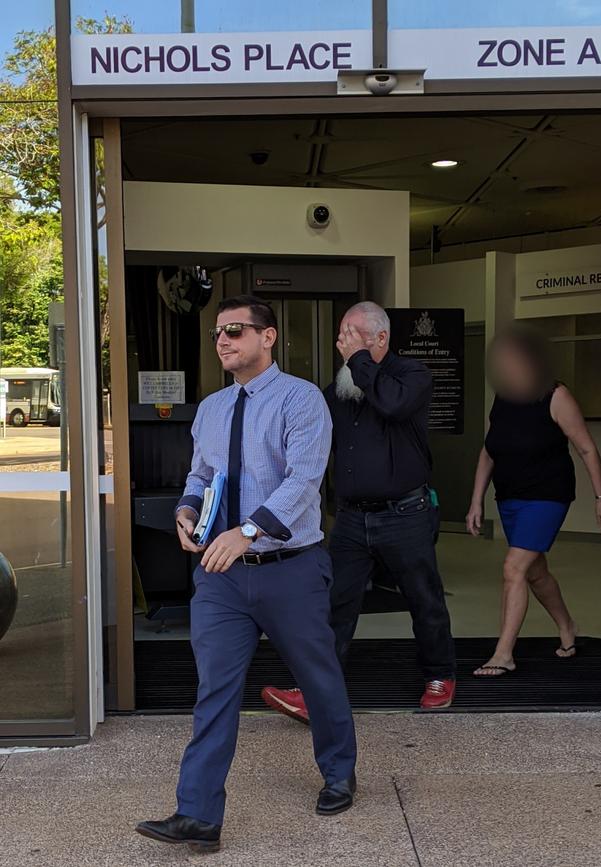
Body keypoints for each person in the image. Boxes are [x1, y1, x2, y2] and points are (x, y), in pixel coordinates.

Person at [136, 295, 357, 855]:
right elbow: (201, 473)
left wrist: (248, 532)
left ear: (268, 337)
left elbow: (305, 481)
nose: (224, 341)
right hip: (221, 576)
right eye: (217, 333)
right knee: (215, 689)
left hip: (290, 568)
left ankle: (339, 772)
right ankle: (198, 815)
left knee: (318, 676)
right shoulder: (211, 408)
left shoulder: (301, 400)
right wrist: (187, 510)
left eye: (235, 330)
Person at [262, 301, 456, 721]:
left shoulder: (411, 376)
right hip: (351, 519)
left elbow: (392, 405)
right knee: (333, 603)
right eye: (341, 336)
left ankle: (440, 675)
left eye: (352, 335)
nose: (342, 344)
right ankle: (315, 691)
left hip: (406, 513)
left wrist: (359, 362)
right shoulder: (339, 391)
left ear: (380, 339)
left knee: (424, 599)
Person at [466, 324, 601, 677]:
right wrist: (476, 501)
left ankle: (503, 654)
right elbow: (489, 451)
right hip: (511, 496)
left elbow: (586, 447)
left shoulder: (556, 396)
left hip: (547, 496)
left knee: (513, 568)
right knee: (535, 572)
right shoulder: (503, 397)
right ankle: (567, 626)